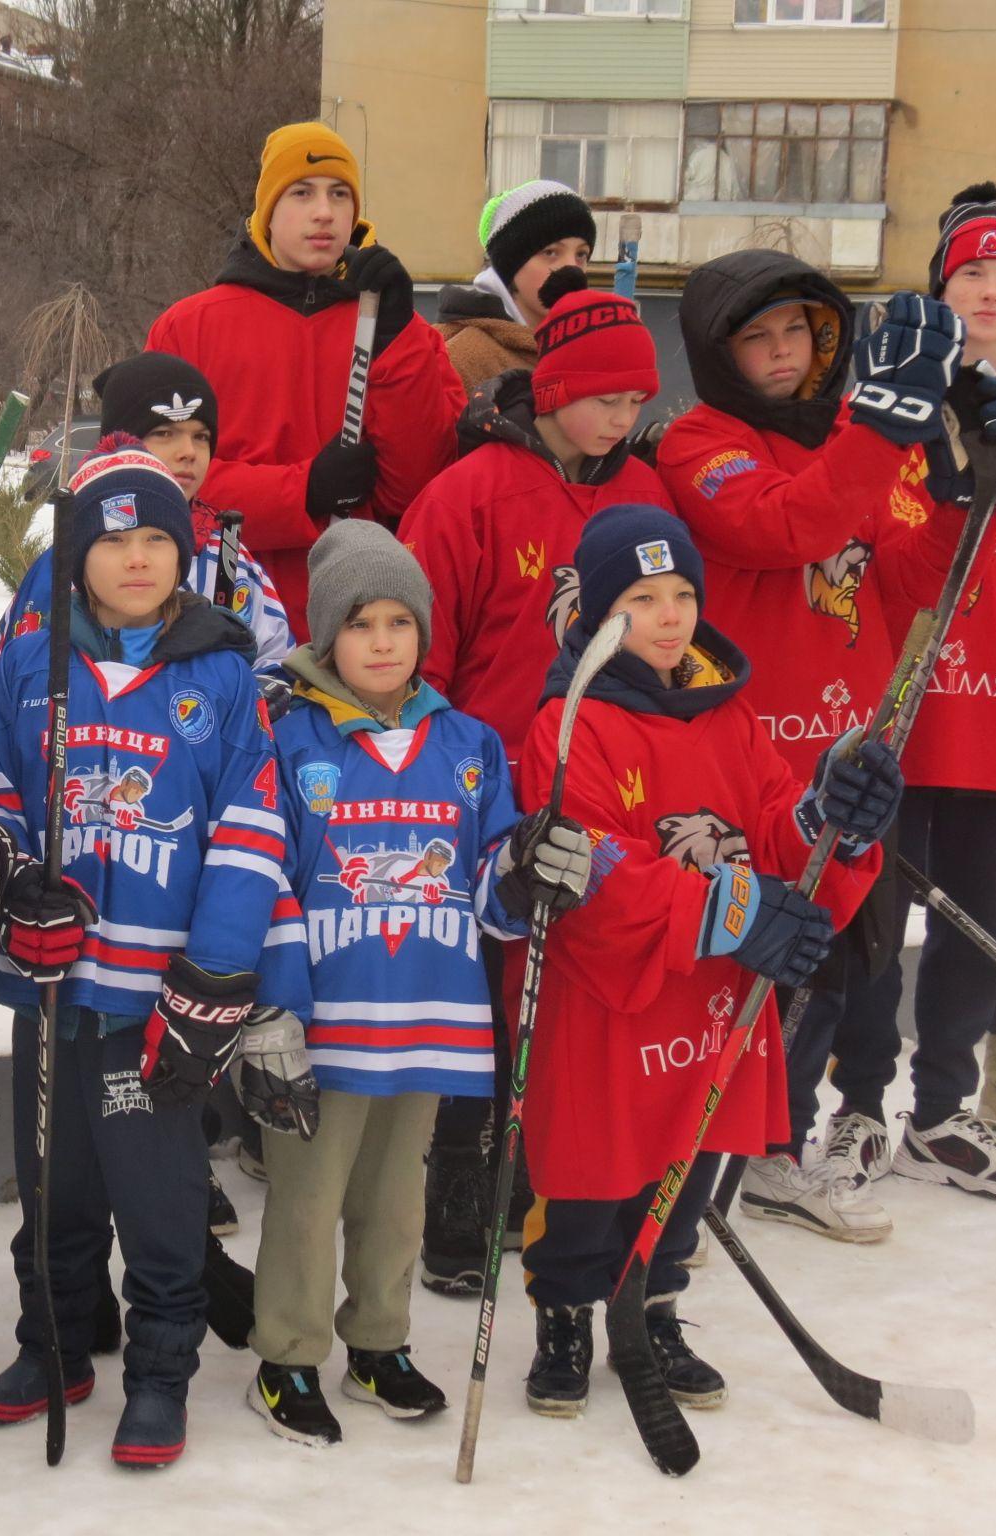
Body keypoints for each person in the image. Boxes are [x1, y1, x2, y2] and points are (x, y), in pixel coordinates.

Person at [515, 505, 894, 1416]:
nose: (671, 614)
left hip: (711, 997)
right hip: (617, 996)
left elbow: (775, 828)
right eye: (643, 598)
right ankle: (567, 1307)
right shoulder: (571, 726)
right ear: (601, 612)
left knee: (686, 1155)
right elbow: (597, 872)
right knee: (594, 1166)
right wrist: (739, 912)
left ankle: (653, 1302)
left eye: (682, 593)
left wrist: (834, 826)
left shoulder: (729, 710)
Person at [0, 443, 298, 1470]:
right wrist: (13, 890)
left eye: (157, 537)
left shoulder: (218, 672)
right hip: (51, 987)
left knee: (157, 1206)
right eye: (112, 538)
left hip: (154, 1002)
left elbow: (250, 825)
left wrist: (215, 970)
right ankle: (54, 1345)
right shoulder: (29, 663)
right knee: (51, 1189)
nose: (137, 556)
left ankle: (159, 1374)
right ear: (76, 555)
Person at [248, 519, 591, 1444]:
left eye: (401, 621)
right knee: (310, 1198)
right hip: (324, 1017)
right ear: (327, 636)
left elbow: (489, 884)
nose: (384, 641)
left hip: (428, 1014)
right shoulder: (292, 739)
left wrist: (524, 874)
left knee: (396, 1201)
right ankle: (287, 1355)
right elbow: (264, 874)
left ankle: (378, 1341)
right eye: (362, 624)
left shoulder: (469, 742)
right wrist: (271, 1003)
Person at [656, 257, 974, 1241]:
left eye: (797, 332)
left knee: (838, 961)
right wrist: (881, 429)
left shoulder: (850, 437)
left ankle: (779, 1146)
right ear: (717, 351)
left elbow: (910, 571)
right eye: (757, 338)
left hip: (846, 741)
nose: (783, 352)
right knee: (743, 967)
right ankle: (693, 1159)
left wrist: (962, 481)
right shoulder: (698, 441)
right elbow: (784, 526)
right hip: (749, 749)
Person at [398, 265, 668, 1294]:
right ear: (552, 388)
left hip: (603, 793)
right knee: (478, 1010)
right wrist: (443, 778)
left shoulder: (643, 494)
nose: (623, 416)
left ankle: (540, 1191)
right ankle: (456, 1212)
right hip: (484, 797)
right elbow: (417, 657)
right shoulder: (469, 493)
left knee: (555, 1013)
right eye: (607, 396)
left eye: (637, 400)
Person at [146, 121, 466, 639]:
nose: (324, 212)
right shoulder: (190, 327)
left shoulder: (402, 333)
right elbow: (159, 480)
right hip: (222, 610)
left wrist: (399, 340)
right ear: (268, 210)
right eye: (302, 193)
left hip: (357, 624)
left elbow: (420, 489)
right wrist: (302, 490)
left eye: (340, 195)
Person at [859, 182, 996, 1196]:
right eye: (969, 273)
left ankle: (942, 1108)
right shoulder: (902, 401)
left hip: (993, 718)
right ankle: (856, 1106)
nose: (989, 292)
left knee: (979, 919)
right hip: (903, 705)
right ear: (938, 287)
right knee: (873, 917)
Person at [0, 352, 293, 672]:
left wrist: (253, 697)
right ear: (121, 442)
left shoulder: (229, 559)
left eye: (201, 436)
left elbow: (277, 663)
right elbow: (12, 678)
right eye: (165, 433)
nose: (189, 452)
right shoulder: (66, 564)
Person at [434, 180, 597, 391]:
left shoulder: (584, 353)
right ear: (511, 264)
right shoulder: (460, 359)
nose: (571, 268)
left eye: (581, 254)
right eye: (551, 252)